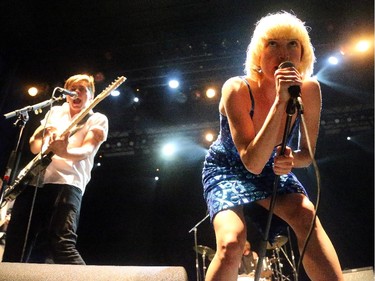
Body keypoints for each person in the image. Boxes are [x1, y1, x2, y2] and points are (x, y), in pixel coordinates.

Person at [202, 11, 343, 281]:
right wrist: (280, 101)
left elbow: (306, 155)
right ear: (258, 53)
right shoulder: (236, 88)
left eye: (292, 43)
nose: (284, 53)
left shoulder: (310, 89)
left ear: (303, 52)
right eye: (273, 44)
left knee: (306, 215)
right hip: (229, 168)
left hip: (271, 167)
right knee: (231, 244)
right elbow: (251, 163)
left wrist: (291, 161)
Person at [2, 74, 108, 264]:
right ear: (66, 94)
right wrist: (46, 134)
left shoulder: (98, 119)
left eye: (82, 89)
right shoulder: (56, 112)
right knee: (16, 242)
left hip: (67, 183)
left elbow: (87, 150)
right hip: (35, 181)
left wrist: (64, 151)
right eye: (72, 89)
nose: (76, 93)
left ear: (91, 96)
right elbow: (34, 145)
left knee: (62, 244)